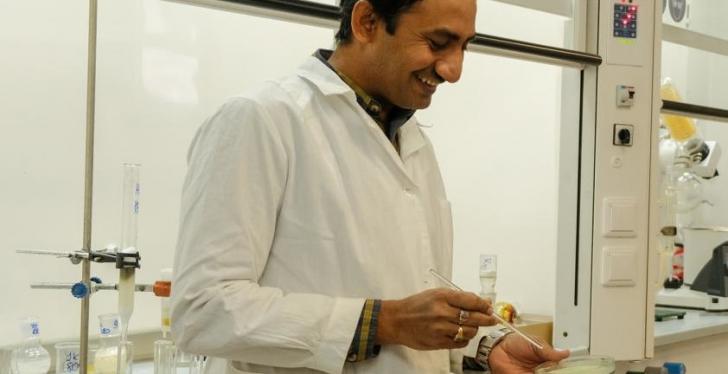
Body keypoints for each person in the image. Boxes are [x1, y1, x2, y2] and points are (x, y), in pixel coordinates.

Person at [170, 0, 569, 373]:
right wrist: (383, 322)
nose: (454, 70)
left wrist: (485, 347)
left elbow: (412, 296)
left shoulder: (411, 140)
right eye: (438, 43)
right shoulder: (262, 120)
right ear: (367, 23)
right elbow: (202, 311)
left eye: (465, 46)